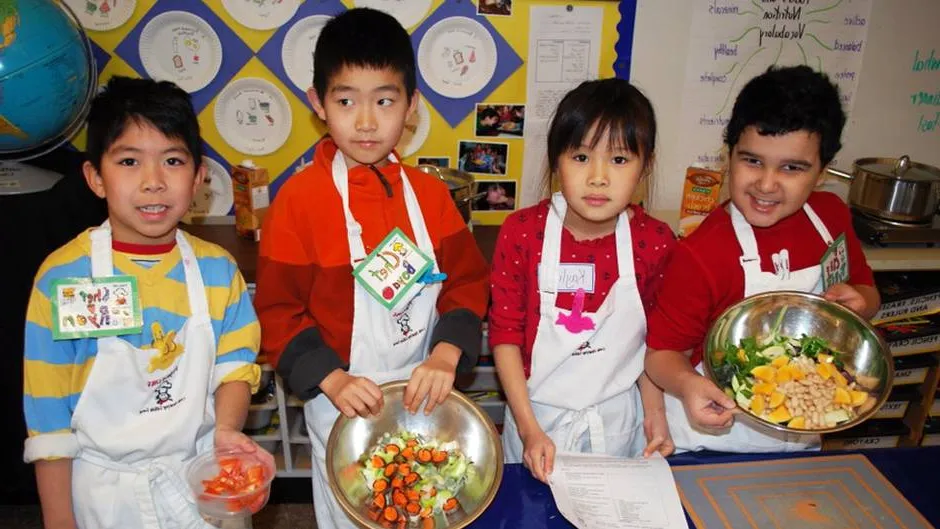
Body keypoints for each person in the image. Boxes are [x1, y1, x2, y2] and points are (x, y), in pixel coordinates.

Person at [252, 8, 489, 528]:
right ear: (318, 104)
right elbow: (277, 311)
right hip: (341, 404)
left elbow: (468, 282)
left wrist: (448, 352)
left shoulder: (430, 197)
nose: (365, 122)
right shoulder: (298, 203)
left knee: (428, 503)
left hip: (428, 395)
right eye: (345, 102)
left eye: (384, 101)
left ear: (411, 107)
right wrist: (331, 379)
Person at [22, 76, 270, 529]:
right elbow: (48, 422)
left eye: (172, 160)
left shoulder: (217, 271)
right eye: (130, 161)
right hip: (104, 494)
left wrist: (227, 431)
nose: (154, 182)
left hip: (202, 478)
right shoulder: (62, 279)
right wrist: (59, 519)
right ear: (96, 177)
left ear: (198, 178)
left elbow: (234, 366)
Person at [645, 65, 881, 452]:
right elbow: (661, 356)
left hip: (804, 427)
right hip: (714, 440)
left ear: (822, 171)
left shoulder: (831, 216)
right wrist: (688, 385)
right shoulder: (702, 254)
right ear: (729, 155)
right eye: (752, 161)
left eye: (792, 167)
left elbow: (867, 292)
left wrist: (861, 303)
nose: (766, 184)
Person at [488, 78, 677, 483]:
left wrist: (656, 415)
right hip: (535, 417)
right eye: (580, 157)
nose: (598, 178)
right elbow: (505, 335)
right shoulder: (523, 233)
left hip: (617, 422)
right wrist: (528, 429)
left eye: (620, 160)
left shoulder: (655, 241)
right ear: (556, 161)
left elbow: (654, 342)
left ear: (647, 165)